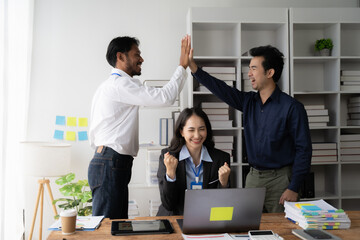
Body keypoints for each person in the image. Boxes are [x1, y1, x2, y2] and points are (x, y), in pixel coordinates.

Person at [188, 45, 312, 213]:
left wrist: (294, 187)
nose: (249, 73)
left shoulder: (292, 107)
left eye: (254, 68)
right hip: (253, 177)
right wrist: (194, 67)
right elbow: (221, 89)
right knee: (248, 225)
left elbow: (303, 150)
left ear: (270, 73)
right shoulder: (248, 101)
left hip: (281, 180)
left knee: (283, 229)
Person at [88, 35, 191, 219]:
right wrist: (182, 66)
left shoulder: (113, 86)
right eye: (137, 54)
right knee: (108, 229)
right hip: (110, 162)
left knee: (116, 225)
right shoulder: (120, 85)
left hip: (110, 161)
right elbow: (165, 97)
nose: (141, 59)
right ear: (120, 57)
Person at [157, 107, 231, 216]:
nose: (197, 135)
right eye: (191, 130)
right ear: (181, 131)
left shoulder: (220, 158)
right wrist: (170, 174)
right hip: (176, 217)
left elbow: (224, 205)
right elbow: (168, 204)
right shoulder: (168, 157)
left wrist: (223, 184)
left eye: (201, 129)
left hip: (206, 217)